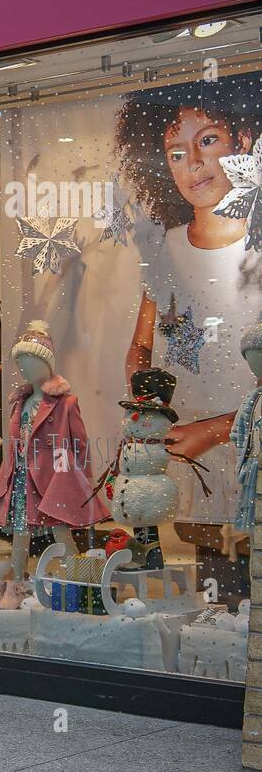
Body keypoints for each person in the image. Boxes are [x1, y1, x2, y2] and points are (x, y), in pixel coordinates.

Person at [117, 74, 262, 524]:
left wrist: (217, 430)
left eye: (209, 140)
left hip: (247, 443)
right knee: (204, 571)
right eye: (177, 154)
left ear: (241, 138)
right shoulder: (167, 251)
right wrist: (147, 403)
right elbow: (141, 347)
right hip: (183, 450)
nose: (194, 163)